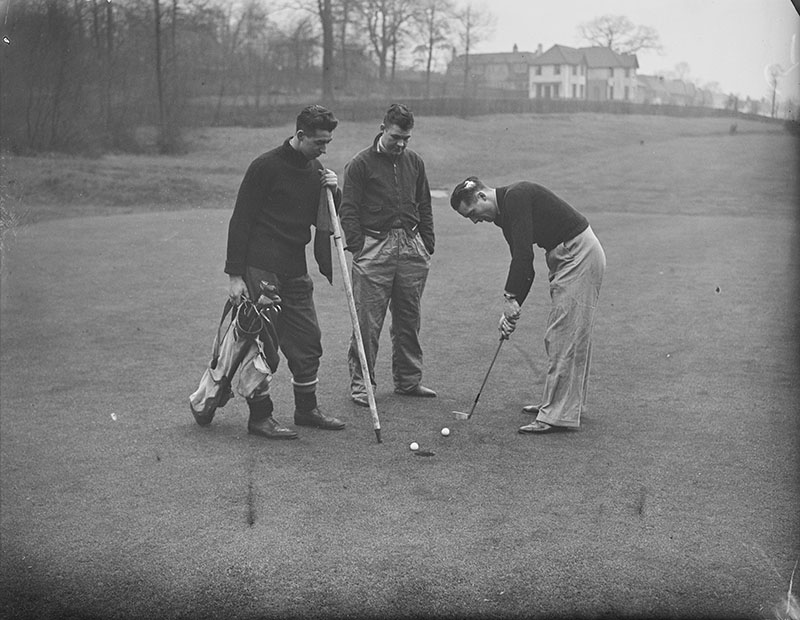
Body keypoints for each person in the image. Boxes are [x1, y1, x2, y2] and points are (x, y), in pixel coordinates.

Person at [189, 104, 345, 439]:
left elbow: (328, 217)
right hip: (260, 267)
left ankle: (307, 409)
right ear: (300, 135)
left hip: (294, 266)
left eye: (327, 142)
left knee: (308, 338)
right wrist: (235, 276)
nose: (324, 149)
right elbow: (240, 220)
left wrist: (334, 190)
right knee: (260, 345)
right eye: (319, 142)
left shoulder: (316, 169)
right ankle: (260, 417)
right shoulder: (264, 167)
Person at [449, 177, 606, 434]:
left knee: (563, 335)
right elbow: (526, 270)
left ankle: (557, 414)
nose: (476, 221)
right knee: (567, 335)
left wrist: (510, 299)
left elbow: (524, 256)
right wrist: (513, 308)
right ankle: (561, 406)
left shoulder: (515, 197)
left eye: (473, 214)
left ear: (481, 197)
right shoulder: (506, 216)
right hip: (569, 257)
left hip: (580, 256)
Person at [339, 103, 436, 407]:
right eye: (396, 137)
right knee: (368, 322)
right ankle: (362, 386)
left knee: (409, 318)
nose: (402, 143)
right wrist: (358, 246)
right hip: (374, 248)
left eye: (407, 138)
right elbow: (349, 209)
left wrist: (427, 242)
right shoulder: (360, 164)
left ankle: (408, 381)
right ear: (383, 129)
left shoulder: (415, 162)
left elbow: (425, 203)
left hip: (410, 246)